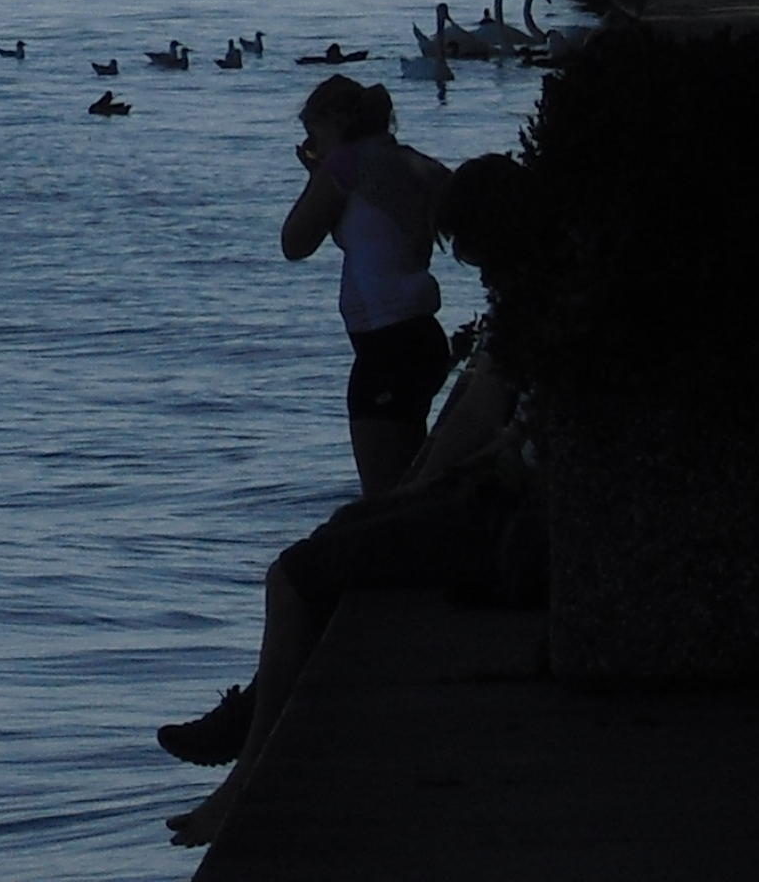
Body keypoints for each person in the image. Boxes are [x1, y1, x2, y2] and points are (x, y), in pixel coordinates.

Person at [162, 154, 553, 848]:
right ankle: (250, 719)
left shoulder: (536, 313)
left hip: (504, 514)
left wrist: (430, 488)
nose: (475, 270)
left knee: (294, 574)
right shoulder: (545, 301)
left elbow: (489, 430)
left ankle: (243, 779)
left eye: (473, 254)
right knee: (346, 528)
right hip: (507, 495)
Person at [281, 76, 452, 493]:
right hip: (419, 336)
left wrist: (318, 175)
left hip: (387, 344)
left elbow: (295, 242)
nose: (311, 144)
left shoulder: (344, 165)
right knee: (411, 481)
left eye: (313, 133)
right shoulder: (410, 161)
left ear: (336, 120)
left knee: (385, 497)